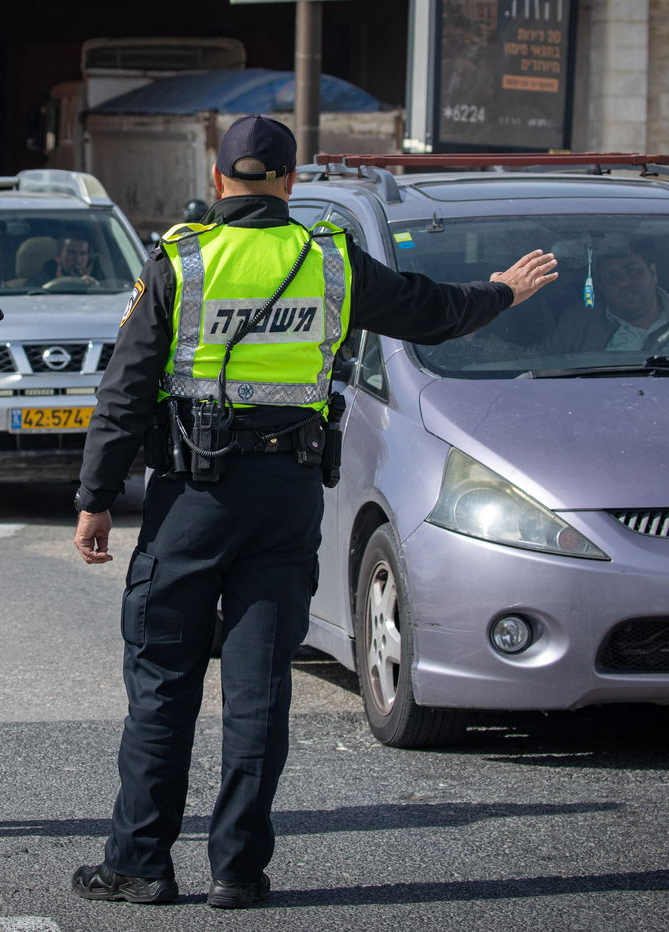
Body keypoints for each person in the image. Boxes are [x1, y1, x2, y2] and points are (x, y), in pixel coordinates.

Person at [69, 115, 558, 909]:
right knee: (260, 688)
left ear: (221, 176)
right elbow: (429, 309)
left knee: (163, 679)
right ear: (291, 182)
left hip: (193, 497)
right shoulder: (326, 260)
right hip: (287, 498)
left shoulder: (182, 259)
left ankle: (139, 865)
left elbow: (124, 390)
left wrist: (95, 498)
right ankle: (237, 871)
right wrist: (500, 291)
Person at [531, 235, 669, 353]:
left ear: (653, 273)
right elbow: (539, 361)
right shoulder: (579, 322)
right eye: (612, 276)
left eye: (632, 270)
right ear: (601, 287)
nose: (625, 282)